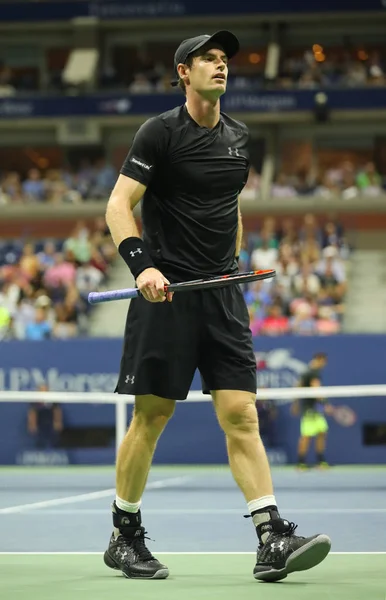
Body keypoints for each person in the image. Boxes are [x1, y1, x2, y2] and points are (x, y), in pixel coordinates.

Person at [104, 30, 331, 583]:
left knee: (241, 413)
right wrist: (144, 268)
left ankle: (270, 535)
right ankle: (124, 533)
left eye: (224, 59)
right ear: (184, 71)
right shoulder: (158, 133)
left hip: (222, 292)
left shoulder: (238, 135)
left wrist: (235, 260)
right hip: (167, 294)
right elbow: (117, 204)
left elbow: (229, 206)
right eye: (208, 59)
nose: (220, 66)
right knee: (152, 417)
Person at [291, 352, 333, 469]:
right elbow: (316, 389)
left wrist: (295, 403)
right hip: (310, 410)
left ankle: (320, 461)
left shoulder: (305, 371)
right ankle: (301, 463)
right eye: (324, 362)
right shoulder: (313, 372)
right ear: (319, 360)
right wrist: (326, 404)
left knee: (322, 432)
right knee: (306, 435)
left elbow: (297, 385)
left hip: (313, 409)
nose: (324, 364)